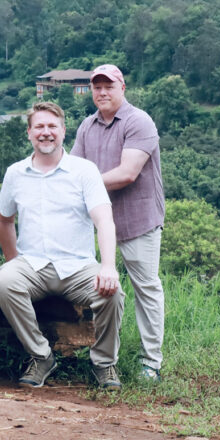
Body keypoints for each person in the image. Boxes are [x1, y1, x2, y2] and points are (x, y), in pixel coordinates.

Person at [0, 101, 125, 390]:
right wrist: (13, 261)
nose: (46, 132)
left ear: (63, 131)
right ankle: (41, 356)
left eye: (52, 126)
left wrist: (108, 266)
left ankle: (104, 363)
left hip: (78, 267)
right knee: (4, 282)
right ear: (29, 133)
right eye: (39, 126)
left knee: (113, 293)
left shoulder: (84, 171)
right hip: (33, 264)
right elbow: (4, 219)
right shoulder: (16, 173)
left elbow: (104, 220)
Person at [72, 64, 165, 382]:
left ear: (122, 88)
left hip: (138, 218)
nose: (102, 92)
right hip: (99, 221)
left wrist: (84, 185)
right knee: (99, 287)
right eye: (96, 87)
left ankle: (151, 362)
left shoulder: (139, 121)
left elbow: (128, 173)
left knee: (146, 287)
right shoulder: (87, 126)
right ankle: (96, 354)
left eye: (108, 86)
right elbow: (73, 169)